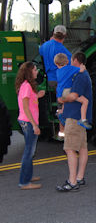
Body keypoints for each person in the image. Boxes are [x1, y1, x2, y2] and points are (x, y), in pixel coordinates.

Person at [56, 52, 92, 192]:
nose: (70, 62)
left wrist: (61, 100)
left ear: (75, 60)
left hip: (74, 117)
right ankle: (79, 177)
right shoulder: (82, 74)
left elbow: (73, 96)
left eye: (71, 60)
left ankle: (72, 182)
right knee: (82, 148)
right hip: (80, 118)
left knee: (69, 149)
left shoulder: (80, 76)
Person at [15, 62, 45, 190]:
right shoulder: (27, 86)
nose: (36, 71)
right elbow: (26, 108)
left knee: (30, 151)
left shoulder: (25, 86)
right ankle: (24, 182)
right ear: (29, 72)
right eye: (34, 69)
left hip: (26, 121)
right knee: (29, 152)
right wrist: (34, 125)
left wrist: (37, 95)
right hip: (28, 122)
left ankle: (28, 176)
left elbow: (28, 102)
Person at [54, 53, 91, 129]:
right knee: (85, 101)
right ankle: (83, 119)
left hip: (60, 92)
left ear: (56, 64)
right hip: (67, 91)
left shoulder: (58, 72)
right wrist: (83, 68)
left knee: (64, 103)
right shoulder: (69, 69)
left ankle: (61, 114)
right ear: (67, 61)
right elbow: (81, 70)